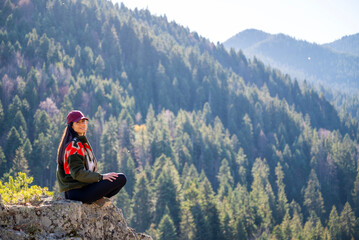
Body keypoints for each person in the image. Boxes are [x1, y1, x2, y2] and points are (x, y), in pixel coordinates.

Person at [56, 110, 126, 204]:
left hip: (79, 190)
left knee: (116, 177)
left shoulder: (77, 142)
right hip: (78, 192)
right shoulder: (74, 145)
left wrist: (100, 178)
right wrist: (101, 177)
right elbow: (77, 173)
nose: (82, 124)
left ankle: (97, 199)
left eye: (83, 121)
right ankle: (96, 200)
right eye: (78, 122)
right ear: (71, 126)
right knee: (120, 179)